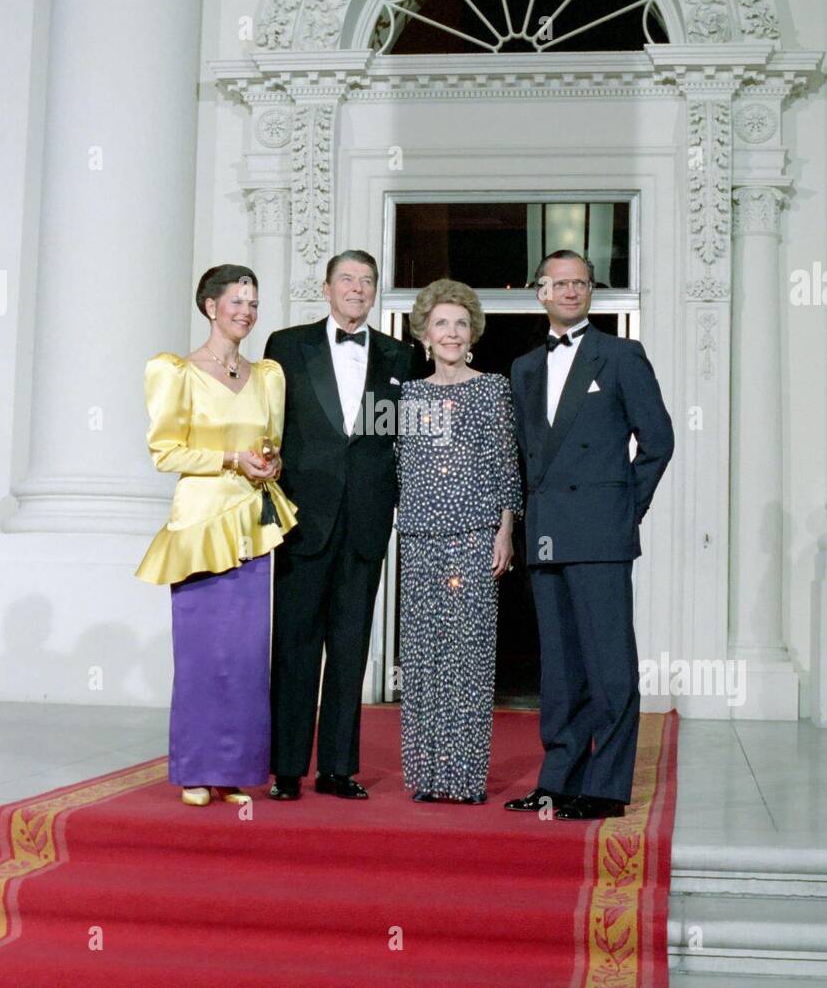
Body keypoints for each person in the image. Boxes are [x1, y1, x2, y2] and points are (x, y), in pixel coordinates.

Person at [506, 250, 674, 820]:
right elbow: (528, 457)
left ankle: (604, 786)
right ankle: (558, 779)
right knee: (559, 666)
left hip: (601, 533)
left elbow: (658, 441)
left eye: (580, 283)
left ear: (591, 291)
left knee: (609, 665)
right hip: (547, 533)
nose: (571, 291)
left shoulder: (622, 355)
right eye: (560, 283)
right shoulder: (525, 367)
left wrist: (626, 512)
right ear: (540, 292)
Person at [135, 265, 297, 807]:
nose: (247, 311)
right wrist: (231, 458)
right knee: (203, 652)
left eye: (253, 302)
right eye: (237, 301)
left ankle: (233, 768)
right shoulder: (175, 371)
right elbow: (167, 452)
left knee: (247, 654)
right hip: (201, 524)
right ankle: (195, 769)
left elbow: (271, 445)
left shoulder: (268, 375)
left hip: (252, 525)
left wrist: (268, 466)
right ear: (210, 306)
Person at [264, 251, 414, 800]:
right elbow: (270, 427)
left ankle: (337, 769)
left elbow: (406, 439)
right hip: (305, 518)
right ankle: (285, 768)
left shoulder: (401, 354)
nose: (356, 289)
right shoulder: (285, 344)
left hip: (367, 520)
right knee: (295, 643)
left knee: (351, 645)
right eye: (346, 280)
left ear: (375, 293)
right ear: (326, 289)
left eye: (366, 281)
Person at [396, 280, 522, 804]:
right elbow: (403, 465)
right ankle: (427, 778)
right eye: (442, 323)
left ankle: (465, 779)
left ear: (473, 334)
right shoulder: (408, 394)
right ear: (425, 333)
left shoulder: (492, 388)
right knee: (423, 659)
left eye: (461, 324)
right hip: (420, 538)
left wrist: (506, 530)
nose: (451, 333)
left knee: (468, 658)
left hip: (473, 538)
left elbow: (506, 464)